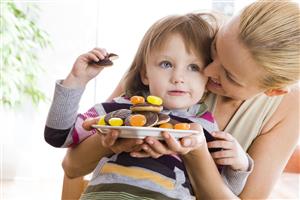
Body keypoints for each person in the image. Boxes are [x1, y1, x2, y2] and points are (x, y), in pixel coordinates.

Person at [60, 0, 300, 199]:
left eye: (229, 75)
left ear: (274, 90)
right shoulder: (187, 44)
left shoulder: (288, 108)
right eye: (215, 50)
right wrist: (113, 141)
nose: (208, 71)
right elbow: (72, 166)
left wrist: (196, 155)